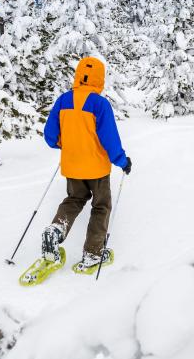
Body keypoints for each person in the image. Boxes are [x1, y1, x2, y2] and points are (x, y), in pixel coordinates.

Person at [40, 56, 132, 275]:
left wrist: (68, 144)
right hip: (97, 170)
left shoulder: (63, 100)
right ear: (100, 78)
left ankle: (56, 229)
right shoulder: (100, 104)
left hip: (72, 167)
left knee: (74, 199)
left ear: (79, 76)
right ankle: (92, 253)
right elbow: (109, 139)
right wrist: (122, 161)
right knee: (101, 207)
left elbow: (50, 137)